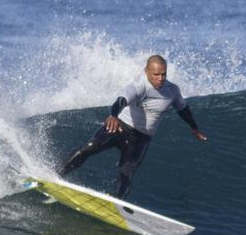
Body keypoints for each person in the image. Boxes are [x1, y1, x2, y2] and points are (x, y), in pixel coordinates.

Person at [56, 54, 207, 199]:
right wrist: (113, 115)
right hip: (119, 128)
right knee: (88, 148)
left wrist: (194, 128)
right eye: (155, 74)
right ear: (146, 71)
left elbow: (183, 110)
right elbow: (121, 100)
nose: (160, 78)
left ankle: (118, 204)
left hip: (141, 139)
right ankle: (56, 175)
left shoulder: (172, 90)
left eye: (163, 74)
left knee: (127, 172)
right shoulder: (138, 86)